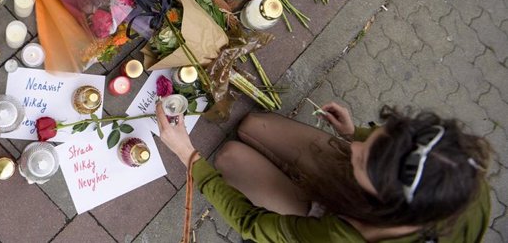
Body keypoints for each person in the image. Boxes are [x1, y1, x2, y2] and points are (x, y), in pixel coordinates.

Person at [155, 101, 492, 242]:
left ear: (379, 202)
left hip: (335, 224)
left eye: (361, 159)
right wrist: (353, 132)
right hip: (361, 203)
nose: (354, 150)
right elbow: (374, 147)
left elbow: (251, 223)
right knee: (254, 124)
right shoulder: (458, 174)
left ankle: (308, 206)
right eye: (377, 137)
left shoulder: (341, 237)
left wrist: (190, 158)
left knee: (228, 158)